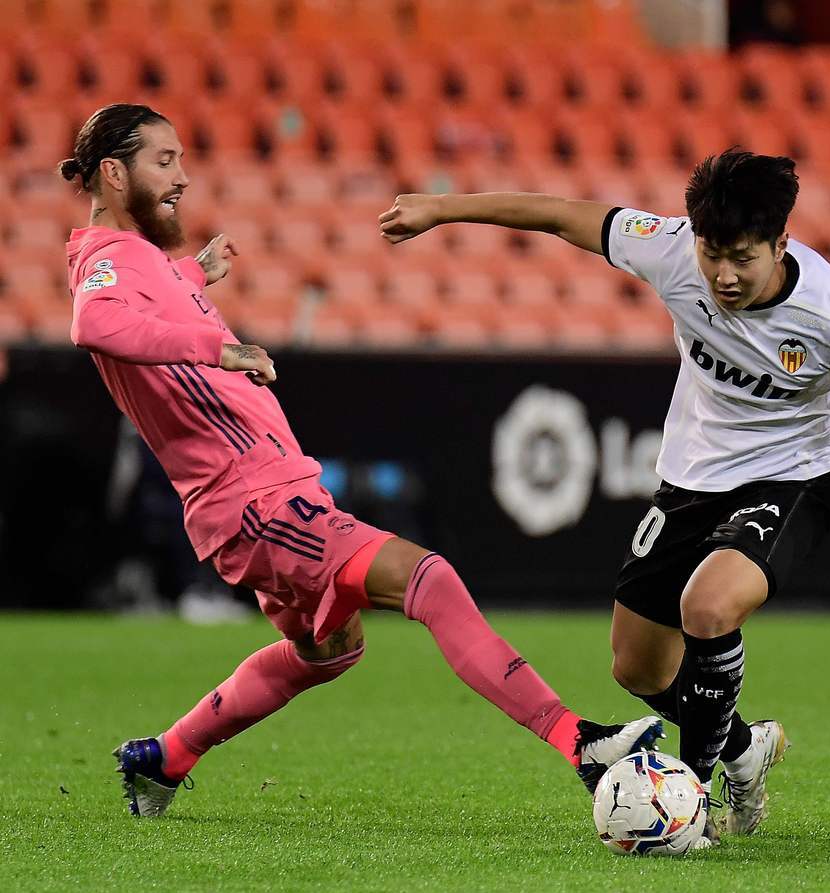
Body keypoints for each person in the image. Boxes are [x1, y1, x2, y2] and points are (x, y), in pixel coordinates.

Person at [62, 103, 662, 819]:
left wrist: (196, 274)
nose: (183, 177)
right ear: (113, 171)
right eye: (165, 161)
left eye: (183, 159)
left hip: (261, 495)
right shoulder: (105, 259)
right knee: (428, 579)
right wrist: (214, 346)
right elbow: (93, 321)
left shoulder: (146, 262)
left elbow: (152, 305)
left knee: (330, 650)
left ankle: (165, 756)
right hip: (255, 502)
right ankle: (581, 743)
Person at [379, 149, 830, 838]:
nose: (723, 274)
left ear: (781, 242)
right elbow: (561, 215)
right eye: (713, 253)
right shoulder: (673, 251)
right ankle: (747, 750)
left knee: (709, 607)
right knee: (637, 666)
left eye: (743, 257)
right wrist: (441, 209)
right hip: (689, 482)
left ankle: (693, 801)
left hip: (792, 481)